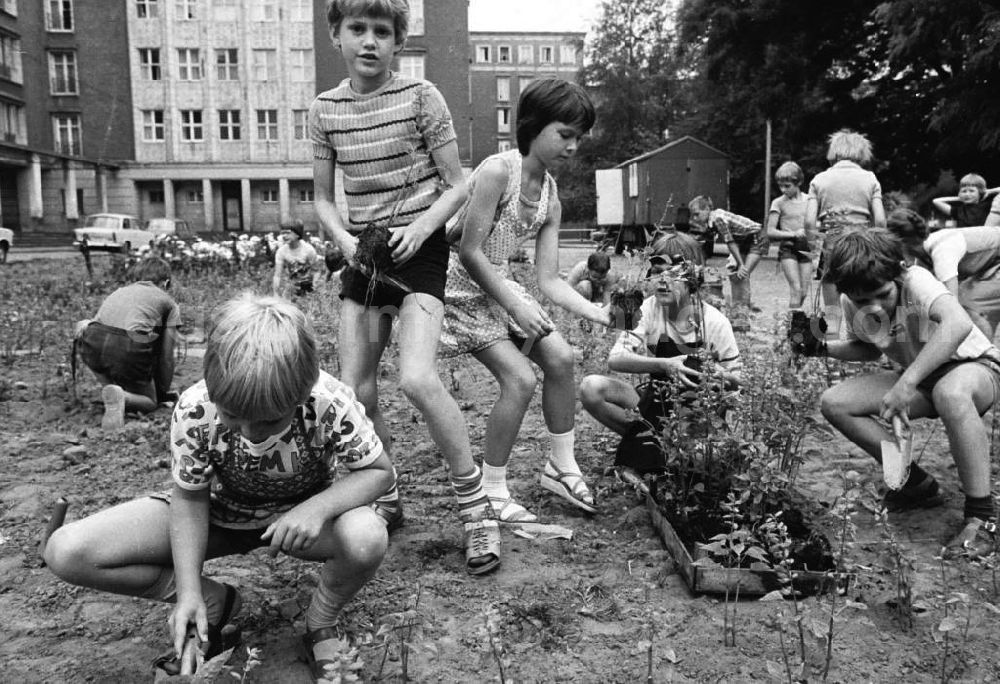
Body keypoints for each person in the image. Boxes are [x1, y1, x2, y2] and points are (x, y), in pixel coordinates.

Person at [46, 294, 395, 679]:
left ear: (302, 394)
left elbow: (379, 473)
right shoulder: (196, 407)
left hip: (300, 527)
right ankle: (215, 603)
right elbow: (190, 499)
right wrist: (189, 591)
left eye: (267, 422)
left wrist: (317, 508)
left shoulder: (329, 401)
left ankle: (320, 622)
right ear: (211, 384)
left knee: (366, 536)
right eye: (231, 416)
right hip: (218, 514)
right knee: (67, 551)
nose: (249, 433)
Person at [311, 0, 500, 574]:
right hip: (365, 252)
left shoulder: (422, 98)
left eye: (383, 33)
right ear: (336, 37)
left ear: (398, 43)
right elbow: (322, 197)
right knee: (355, 390)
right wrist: (343, 240)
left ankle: (477, 509)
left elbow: (458, 183)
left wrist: (421, 229)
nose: (370, 42)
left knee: (416, 378)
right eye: (358, 30)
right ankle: (386, 493)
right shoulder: (324, 110)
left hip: (418, 252)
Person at [440, 78, 611, 522]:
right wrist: (516, 305)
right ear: (532, 126)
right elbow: (468, 251)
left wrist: (598, 312)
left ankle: (561, 465)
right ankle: (491, 489)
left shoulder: (551, 196)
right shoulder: (499, 172)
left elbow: (550, 280)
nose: (573, 146)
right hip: (459, 288)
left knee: (561, 359)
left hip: (497, 285)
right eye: (564, 134)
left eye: (579, 137)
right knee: (520, 380)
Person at [815, 229, 1000, 558]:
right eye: (861, 301)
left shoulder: (916, 279)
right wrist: (820, 347)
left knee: (950, 393)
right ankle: (914, 483)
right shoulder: (850, 298)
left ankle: (982, 518)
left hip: (974, 368)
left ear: (897, 273)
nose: (872, 306)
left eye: (882, 295)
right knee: (835, 402)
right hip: (921, 380)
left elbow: (957, 324)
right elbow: (869, 349)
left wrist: (905, 384)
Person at [579, 232, 742, 472]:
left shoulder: (714, 322)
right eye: (657, 272)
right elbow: (616, 358)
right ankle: (646, 439)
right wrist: (665, 365)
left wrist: (716, 374)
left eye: (674, 273)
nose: (663, 281)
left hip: (698, 415)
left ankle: (661, 445)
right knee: (590, 387)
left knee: (700, 461)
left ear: (694, 277)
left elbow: (739, 380)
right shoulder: (649, 308)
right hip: (655, 406)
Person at [74, 256, 179, 431]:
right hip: (127, 346)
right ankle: (124, 397)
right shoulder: (168, 302)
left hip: (91, 341)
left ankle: (111, 390)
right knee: (150, 402)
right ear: (166, 283)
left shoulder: (120, 291)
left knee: (109, 355)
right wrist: (162, 393)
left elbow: (96, 323)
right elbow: (167, 356)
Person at [804, 129, 886, 332]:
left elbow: (808, 222)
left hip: (831, 244)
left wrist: (813, 248)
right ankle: (864, 348)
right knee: (864, 303)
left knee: (832, 309)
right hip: (862, 244)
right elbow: (881, 221)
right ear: (861, 152)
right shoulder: (870, 178)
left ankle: (833, 351)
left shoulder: (819, 179)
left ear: (835, 151)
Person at [886, 208, 1000, 340]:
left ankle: (986, 356)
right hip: (988, 265)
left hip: (995, 261)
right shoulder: (923, 256)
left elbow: (952, 307)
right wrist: (897, 322)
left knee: (968, 307)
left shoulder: (942, 252)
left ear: (901, 242)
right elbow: (916, 294)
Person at [688, 195, 766, 311]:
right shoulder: (712, 220)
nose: (694, 218)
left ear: (707, 209)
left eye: (697, 214)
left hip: (757, 238)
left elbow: (730, 242)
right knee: (734, 275)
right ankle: (740, 306)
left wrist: (741, 264)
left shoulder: (718, 219)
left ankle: (742, 311)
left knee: (742, 274)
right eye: (693, 215)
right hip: (744, 241)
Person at [766, 161, 814, 310]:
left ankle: (792, 321)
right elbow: (770, 231)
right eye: (780, 186)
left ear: (798, 182)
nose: (783, 189)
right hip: (788, 248)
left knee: (804, 292)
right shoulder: (778, 203)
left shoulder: (810, 201)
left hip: (806, 248)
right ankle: (794, 328)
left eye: (787, 186)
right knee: (796, 288)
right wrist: (793, 234)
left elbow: (815, 224)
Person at [931, 173, 999, 228]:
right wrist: (959, 198)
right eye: (964, 191)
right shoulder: (958, 211)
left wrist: (989, 191)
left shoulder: (987, 206)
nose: (967, 194)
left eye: (971, 191)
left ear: (980, 192)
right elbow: (936, 201)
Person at [272, 219, 320, 297]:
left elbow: (317, 271)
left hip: (308, 288)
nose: (284, 236)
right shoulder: (281, 252)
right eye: (282, 233)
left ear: (298, 234)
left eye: (287, 233)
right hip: (290, 288)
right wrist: (275, 293)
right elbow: (277, 275)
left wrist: (315, 287)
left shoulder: (308, 250)